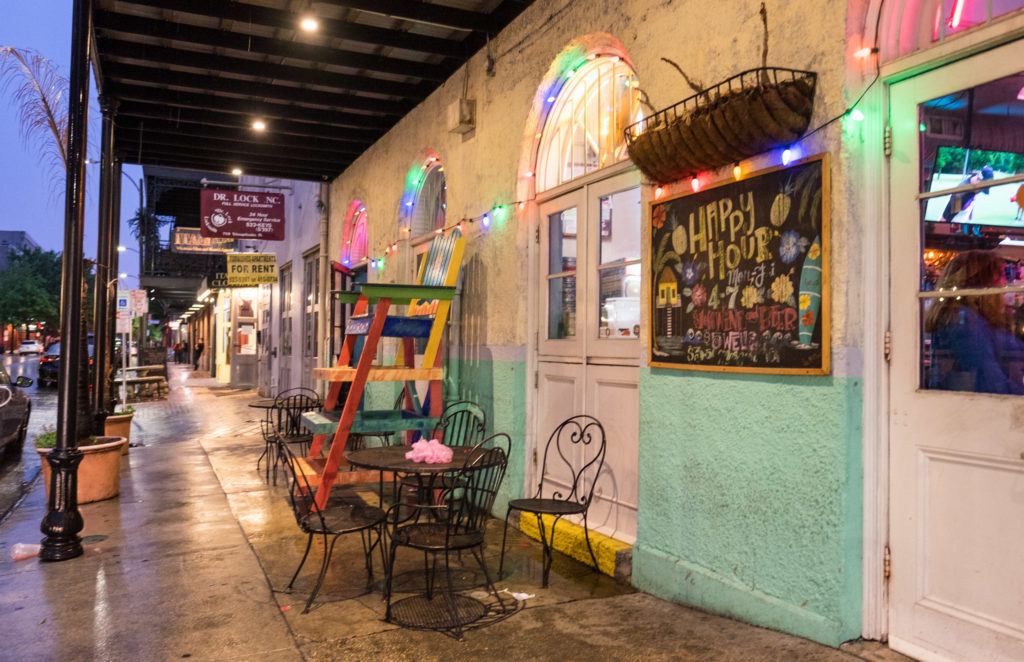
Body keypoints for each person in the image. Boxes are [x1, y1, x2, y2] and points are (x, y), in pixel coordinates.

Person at [925, 250, 1024, 394]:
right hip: (974, 407)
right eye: (1001, 276)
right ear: (984, 285)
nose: (1005, 284)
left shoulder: (976, 318)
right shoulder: (964, 321)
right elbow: (990, 382)